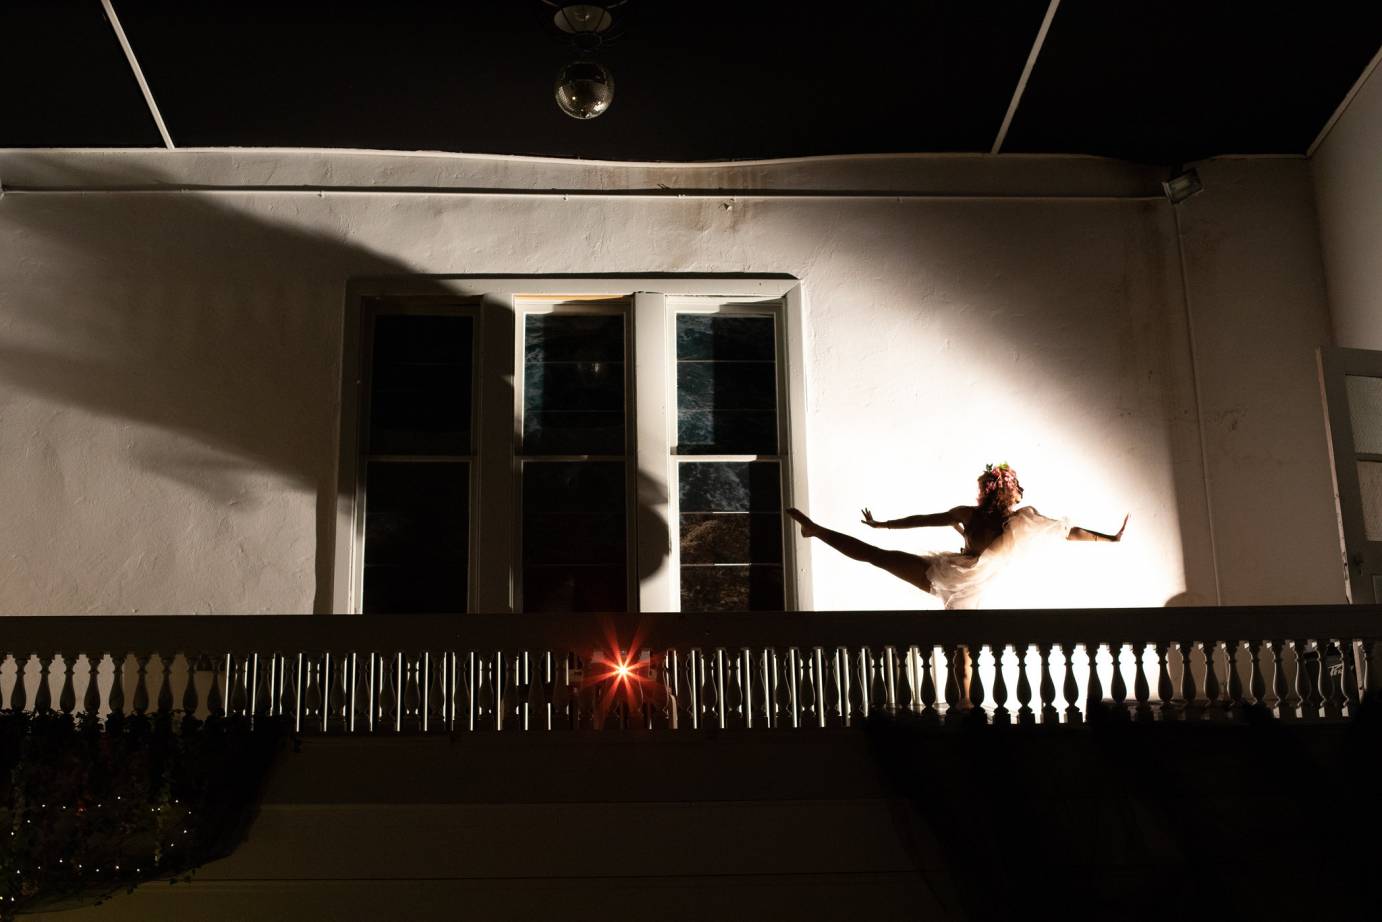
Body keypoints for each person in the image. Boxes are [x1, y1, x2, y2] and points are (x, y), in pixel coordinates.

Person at [786, 463, 1127, 610]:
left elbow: (1067, 532)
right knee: (879, 557)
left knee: (877, 556)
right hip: (960, 578)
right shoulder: (1006, 519)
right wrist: (1109, 539)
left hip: (963, 581)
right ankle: (816, 530)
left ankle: (816, 531)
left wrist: (884, 525)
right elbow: (1068, 532)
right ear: (1009, 492)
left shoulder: (986, 517)